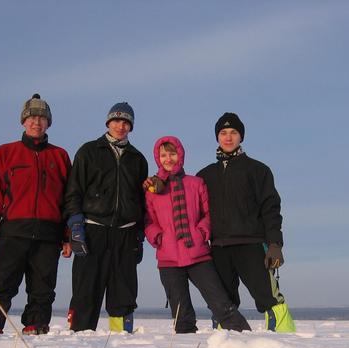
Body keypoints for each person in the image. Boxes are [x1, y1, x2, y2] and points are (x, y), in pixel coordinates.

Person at [0, 94, 72, 335]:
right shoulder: (6, 152)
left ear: (48, 123)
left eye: (41, 118)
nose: (36, 122)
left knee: (43, 286)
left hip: (48, 234)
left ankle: (36, 325)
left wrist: (67, 237)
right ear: (23, 121)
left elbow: (69, 200)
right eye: (31, 117)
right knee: (0, 282)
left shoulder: (59, 156)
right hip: (12, 232)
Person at [196, 113, 295, 332]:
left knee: (268, 296)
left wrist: (275, 244)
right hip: (219, 247)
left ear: (241, 136)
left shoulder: (258, 170)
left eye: (233, 133)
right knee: (222, 302)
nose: (228, 137)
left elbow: (271, 210)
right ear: (217, 137)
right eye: (223, 133)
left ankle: (287, 343)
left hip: (251, 245)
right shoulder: (204, 175)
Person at [143, 136, 251, 333]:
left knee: (220, 303)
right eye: (163, 155)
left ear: (180, 155)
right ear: (158, 158)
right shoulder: (152, 189)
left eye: (172, 154)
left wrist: (201, 232)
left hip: (198, 254)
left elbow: (208, 214)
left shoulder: (196, 183)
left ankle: (242, 338)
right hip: (168, 258)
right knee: (180, 312)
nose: (168, 159)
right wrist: (158, 238)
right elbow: (149, 220)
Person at [64, 102, 148, 333]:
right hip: (93, 230)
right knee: (86, 290)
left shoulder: (137, 158)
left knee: (124, 291)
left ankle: (120, 338)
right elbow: (73, 191)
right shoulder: (89, 151)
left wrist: (139, 234)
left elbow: (141, 200)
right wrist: (75, 225)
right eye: (116, 121)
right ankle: (80, 336)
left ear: (130, 126)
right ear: (108, 123)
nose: (120, 126)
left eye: (125, 122)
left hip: (126, 232)